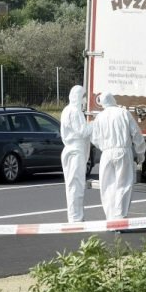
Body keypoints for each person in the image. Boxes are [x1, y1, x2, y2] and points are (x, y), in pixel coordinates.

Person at [90, 92, 146, 219]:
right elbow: (136, 134)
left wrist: (104, 147)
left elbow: (94, 138)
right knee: (124, 184)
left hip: (106, 153)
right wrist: (140, 152)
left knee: (107, 186)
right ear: (113, 100)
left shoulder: (99, 117)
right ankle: (120, 216)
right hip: (123, 151)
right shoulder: (123, 113)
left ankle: (110, 217)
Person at [60, 85, 92, 222]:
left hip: (71, 149)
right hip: (75, 150)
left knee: (73, 184)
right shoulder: (74, 111)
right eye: (84, 96)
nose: (85, 100)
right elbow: (82, 131)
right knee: (76, 185)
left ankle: (75, 216)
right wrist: (96, 123)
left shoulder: (67, 110)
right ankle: (76, 218)